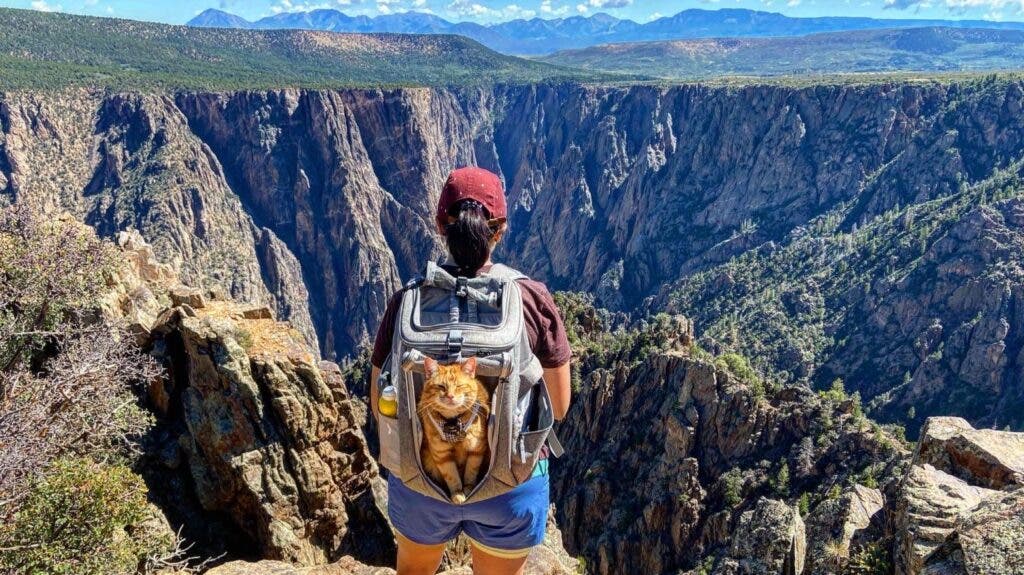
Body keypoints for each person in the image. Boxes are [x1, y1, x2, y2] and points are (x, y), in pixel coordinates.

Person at [369, 166, 573, 575]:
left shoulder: (406, 301)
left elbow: (380, 403)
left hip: (421, 480)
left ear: (441, 223)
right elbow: (560, 406)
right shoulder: (531, 298)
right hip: (509, 484)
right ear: (500, 229)